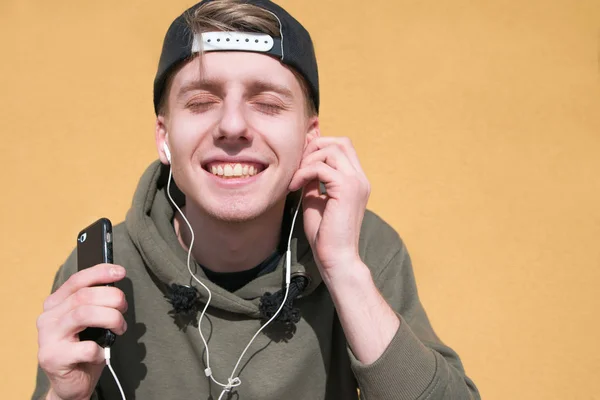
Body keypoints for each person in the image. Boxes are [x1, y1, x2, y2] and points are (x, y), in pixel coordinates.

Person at [32, 0, 480, 399]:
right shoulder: (102, 275)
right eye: (202, 101)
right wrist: (65, 395)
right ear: (163, 137)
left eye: (267, 103)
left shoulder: (364, 249)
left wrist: (344, 270)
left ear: (309, 139)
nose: (232, 126)